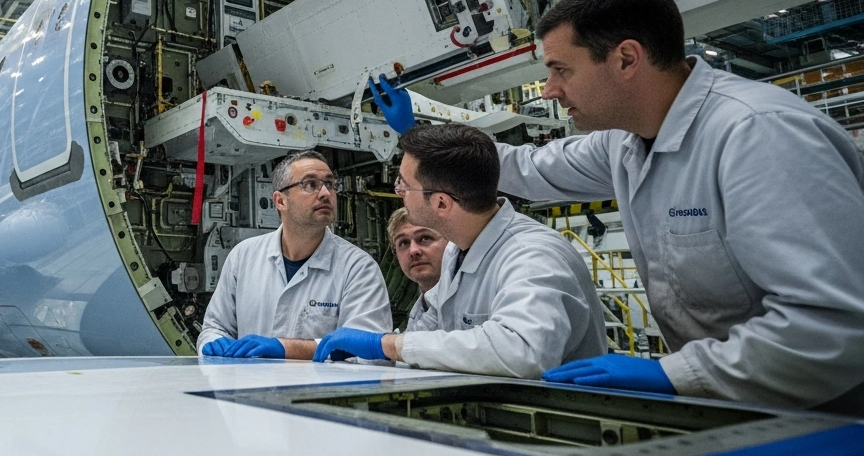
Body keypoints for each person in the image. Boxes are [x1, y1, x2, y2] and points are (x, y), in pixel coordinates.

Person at [468, 0, 864, 413]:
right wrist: (421, 136)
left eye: (561, 70)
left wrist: (676, 374)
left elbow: (835, 323)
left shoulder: (757, 134)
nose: (549, 90)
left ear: (626, 59)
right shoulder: (625, 142)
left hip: (835, 418)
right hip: (743, 411)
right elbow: (529, 169)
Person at [313, 123, 607, 377]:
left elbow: (522, 351)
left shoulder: (532, 256)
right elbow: (427, 335)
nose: (398, 191)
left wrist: (387, 345)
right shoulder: (457, 252)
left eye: (404, 184)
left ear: (441, 203)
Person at [197, 150, 392, 359]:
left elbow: (369, 350)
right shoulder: (243, 256)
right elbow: (214, 327)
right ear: (281, 201)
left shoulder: (358, 267)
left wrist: (286, 349)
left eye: (330, 184)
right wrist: (213, 345)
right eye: (310, 185)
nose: (326, 193)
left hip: (323, 391)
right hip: (251, 388)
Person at [386, 207, 446, 329]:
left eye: (425, 238)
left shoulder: (475, 296)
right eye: (404, 243)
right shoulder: (421, 308)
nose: (413, 251)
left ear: (451, 242)